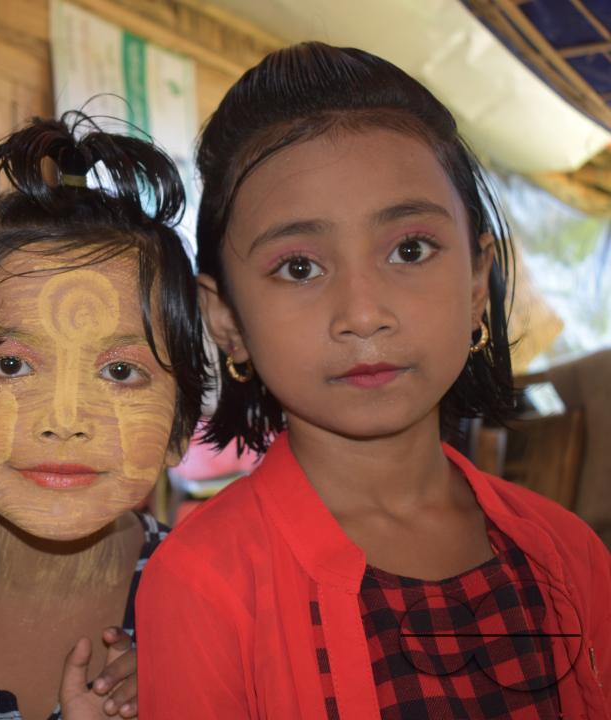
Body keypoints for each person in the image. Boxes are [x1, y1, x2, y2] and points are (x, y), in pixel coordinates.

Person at [135, 42, 611, 719]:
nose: (363, 314)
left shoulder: (570, 555)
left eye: (410, 250)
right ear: (227, 317)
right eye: (299, 267)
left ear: (478, 282)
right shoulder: (204, 583)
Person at [0, 112, 207, 720]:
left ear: (181, 425)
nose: (64, 420)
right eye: (12, 367)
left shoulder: (216, 607)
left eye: (121, 372)